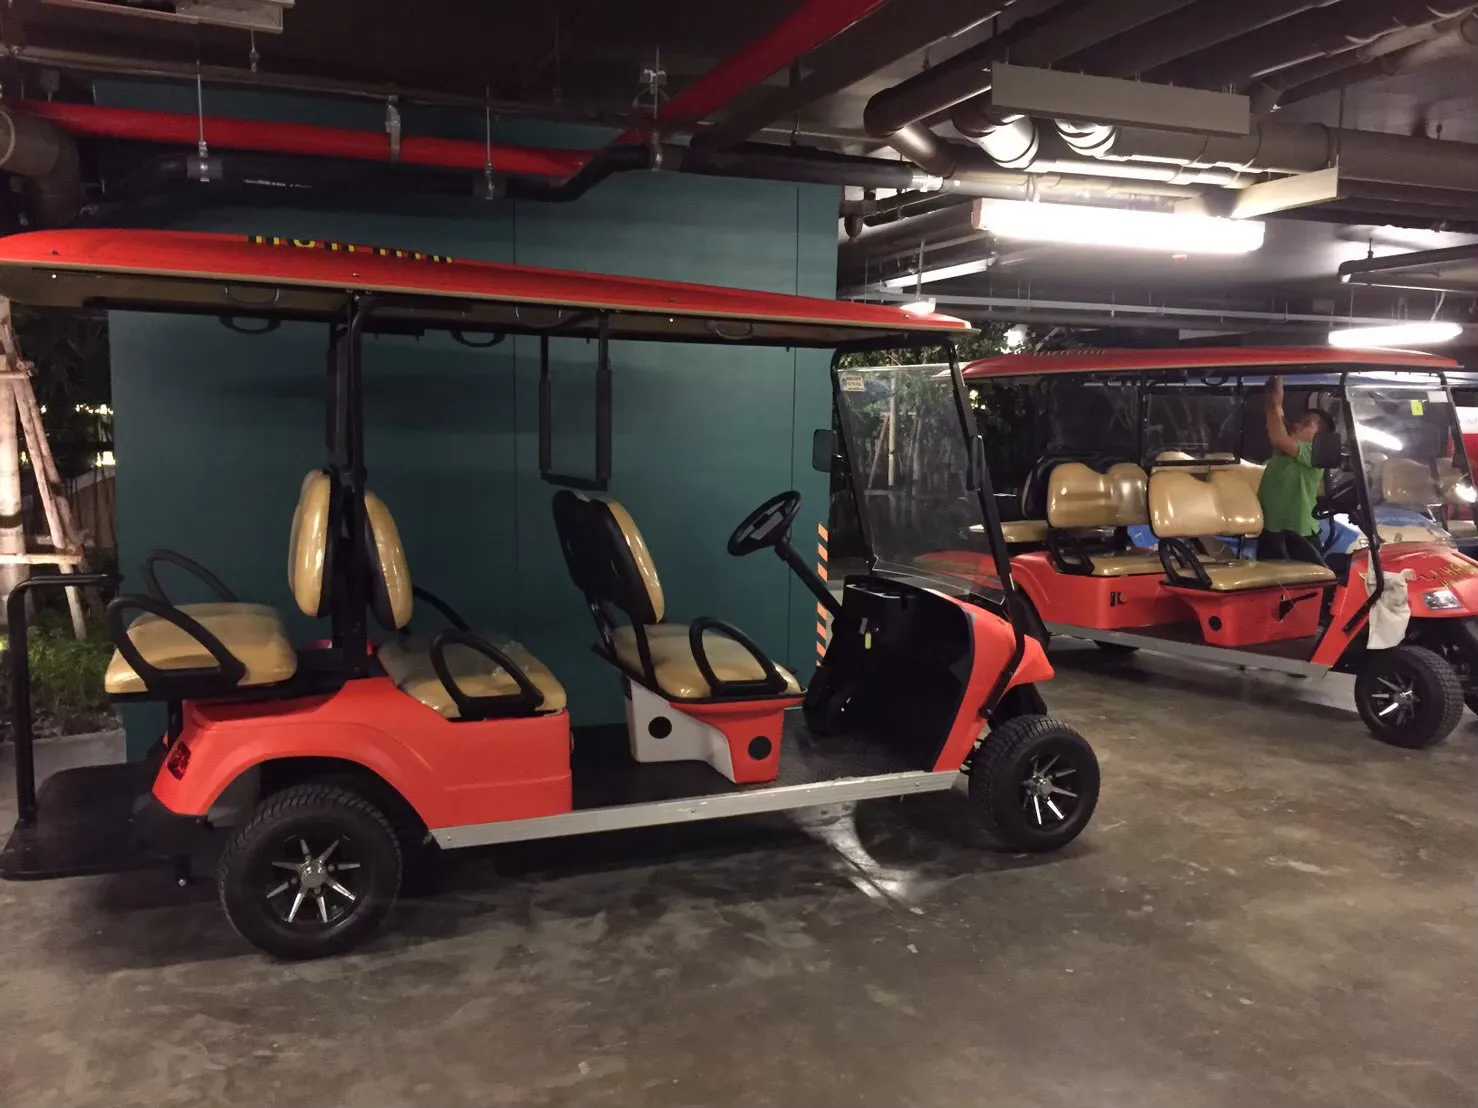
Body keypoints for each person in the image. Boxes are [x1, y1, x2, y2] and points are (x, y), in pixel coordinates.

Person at [1259, 375, 1333, 565]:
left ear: (1320, 437)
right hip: (1271, 528)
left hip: (1299, 533)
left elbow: (1278, 436)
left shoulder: (1313, 452)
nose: (1297, 424)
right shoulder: (1287, 449)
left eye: (1307, 424)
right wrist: (1274, 391)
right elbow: (1276, 417)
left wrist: (1276, 398)